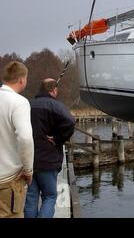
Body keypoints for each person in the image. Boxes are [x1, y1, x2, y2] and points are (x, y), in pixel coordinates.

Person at [24, 78, 75, 218]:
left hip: (29, 160)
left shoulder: (27, 104)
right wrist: (58, 138)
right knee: (50, 197)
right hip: (48, 160)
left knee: (31, 197)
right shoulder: (55, 105)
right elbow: (71, 122)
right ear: (54, 90)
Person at [0, 61, 34, 218]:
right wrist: (28, 170)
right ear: (22, 80)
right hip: (8, 181)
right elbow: (25, 138)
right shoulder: (19, 102)